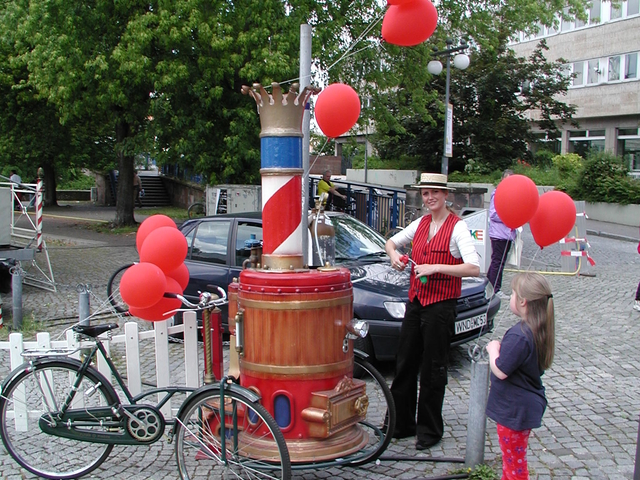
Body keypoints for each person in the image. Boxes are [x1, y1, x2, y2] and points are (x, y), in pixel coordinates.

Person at [385, 172, 480, 450]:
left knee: (433, 368)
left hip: (441, 306)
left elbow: (473, 267)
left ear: (445, 195)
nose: (430, 198)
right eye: (426, 193)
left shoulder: (458, 228)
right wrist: (395, 257)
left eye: (435, 193)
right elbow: (391, 242)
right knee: (404, 365)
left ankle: (429, 430)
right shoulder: (421, 223)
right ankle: (401, 424)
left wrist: (436, 267)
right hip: (416, 302)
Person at [486, 272, 555, 480]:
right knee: (512, 461)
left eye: (513, 294)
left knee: (515, 467)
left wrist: (493, 350)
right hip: (523, 409)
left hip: (514, 411)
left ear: (523, 302)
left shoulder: (520, 335)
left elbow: (501, 370)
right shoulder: (539, 329)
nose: (511, 297)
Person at [488, 169, 516, 298]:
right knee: (497, 261)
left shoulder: (513, 195)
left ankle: (490, 285)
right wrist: (509, 216)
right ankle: (495, 288)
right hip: (499, 234)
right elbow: (493, 214)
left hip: (508, 234)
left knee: (500, 261)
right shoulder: (497, 194)